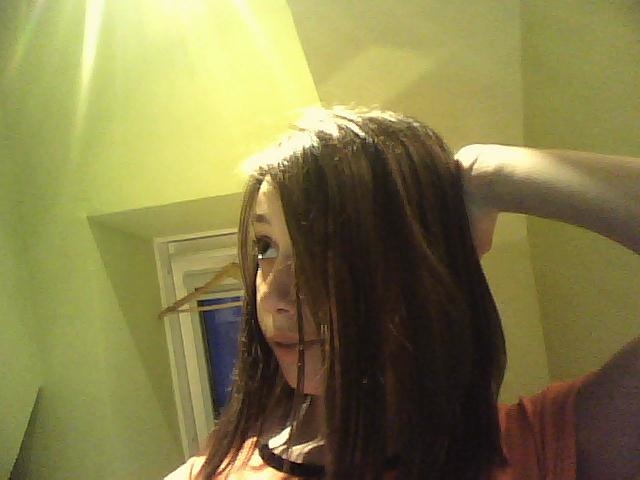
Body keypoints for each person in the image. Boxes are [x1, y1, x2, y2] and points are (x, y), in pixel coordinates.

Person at [165, 107, 640, 480]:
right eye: (265, 247)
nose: (277, 295)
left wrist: (489, 175)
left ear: (418, 268)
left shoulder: (537, 448)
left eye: (327, 250)